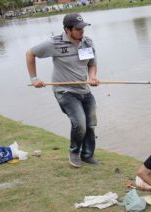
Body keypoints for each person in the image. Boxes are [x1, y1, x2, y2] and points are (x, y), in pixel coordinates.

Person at [26, 13, 100, 168]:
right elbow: (30, 53)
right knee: (80, 124)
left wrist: (92, 77)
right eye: (78, 28)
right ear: (67, 29)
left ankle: (87, 155)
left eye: (83, 28)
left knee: (90, 123)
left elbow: (91, 64)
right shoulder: (54, 43)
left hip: (84, 90)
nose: (82, 31)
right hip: (64, 91)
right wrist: (34, 78)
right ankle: (74, 152)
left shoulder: (87, 42)